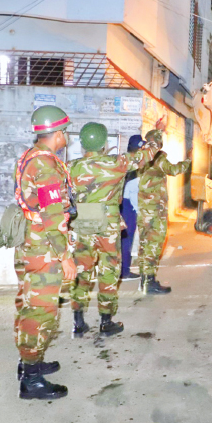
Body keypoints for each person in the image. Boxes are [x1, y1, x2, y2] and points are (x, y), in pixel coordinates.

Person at [68, 123, 157, 337]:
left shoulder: (71, 166)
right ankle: (106, 322)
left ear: (82, 144)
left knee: (82, 271)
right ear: (104, 144)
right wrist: (156, 135)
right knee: (109, 271)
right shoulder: (116, 163)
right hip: (107, 221)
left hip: (84, 219)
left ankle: (78, 322)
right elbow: (148, 154)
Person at [13, 105, 76, 400]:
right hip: (45, 248)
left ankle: (30, 363)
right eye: (65, 132)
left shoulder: (31, 157)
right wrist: (66, 257)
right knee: (41, 311)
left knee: (30, 306)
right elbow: (53, 218)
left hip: (33, 242)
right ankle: (32, 380)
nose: (67, 137)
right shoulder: (47, 167)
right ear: (58, 133)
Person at [137, 128, 191, 294]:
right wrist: (188, 159)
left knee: (145, 243)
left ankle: (144, 280)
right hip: (155, 209)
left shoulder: (141, 156)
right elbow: (174, 170)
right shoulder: (157, 157)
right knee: (154, 244)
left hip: (144, 208)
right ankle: (149, 283)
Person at [119, 134, 144, 280]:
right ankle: (124, 271)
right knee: (126, 238)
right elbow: (131, 190)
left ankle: (122, 270)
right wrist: (138, 210)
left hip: (120, 202)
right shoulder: (133, 166)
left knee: (122, 238)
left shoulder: (122, 159)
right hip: (127, 205)